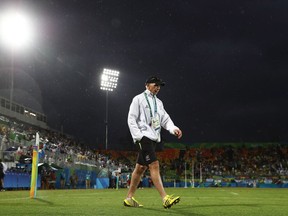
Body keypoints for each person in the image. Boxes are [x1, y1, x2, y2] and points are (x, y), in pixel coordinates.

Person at [124, 76, 183, 209]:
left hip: (154, 138)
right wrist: (138, 136)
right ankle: (165, 198)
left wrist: (174, 129)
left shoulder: (159, 103)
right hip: (143, 137)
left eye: (159, 86)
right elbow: (131, 119)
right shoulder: (138, 99)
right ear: (146, 85)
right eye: (155, 84)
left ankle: (129, 198)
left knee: (140, 168)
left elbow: (165, 119)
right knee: (154, 165)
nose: (157, 87)